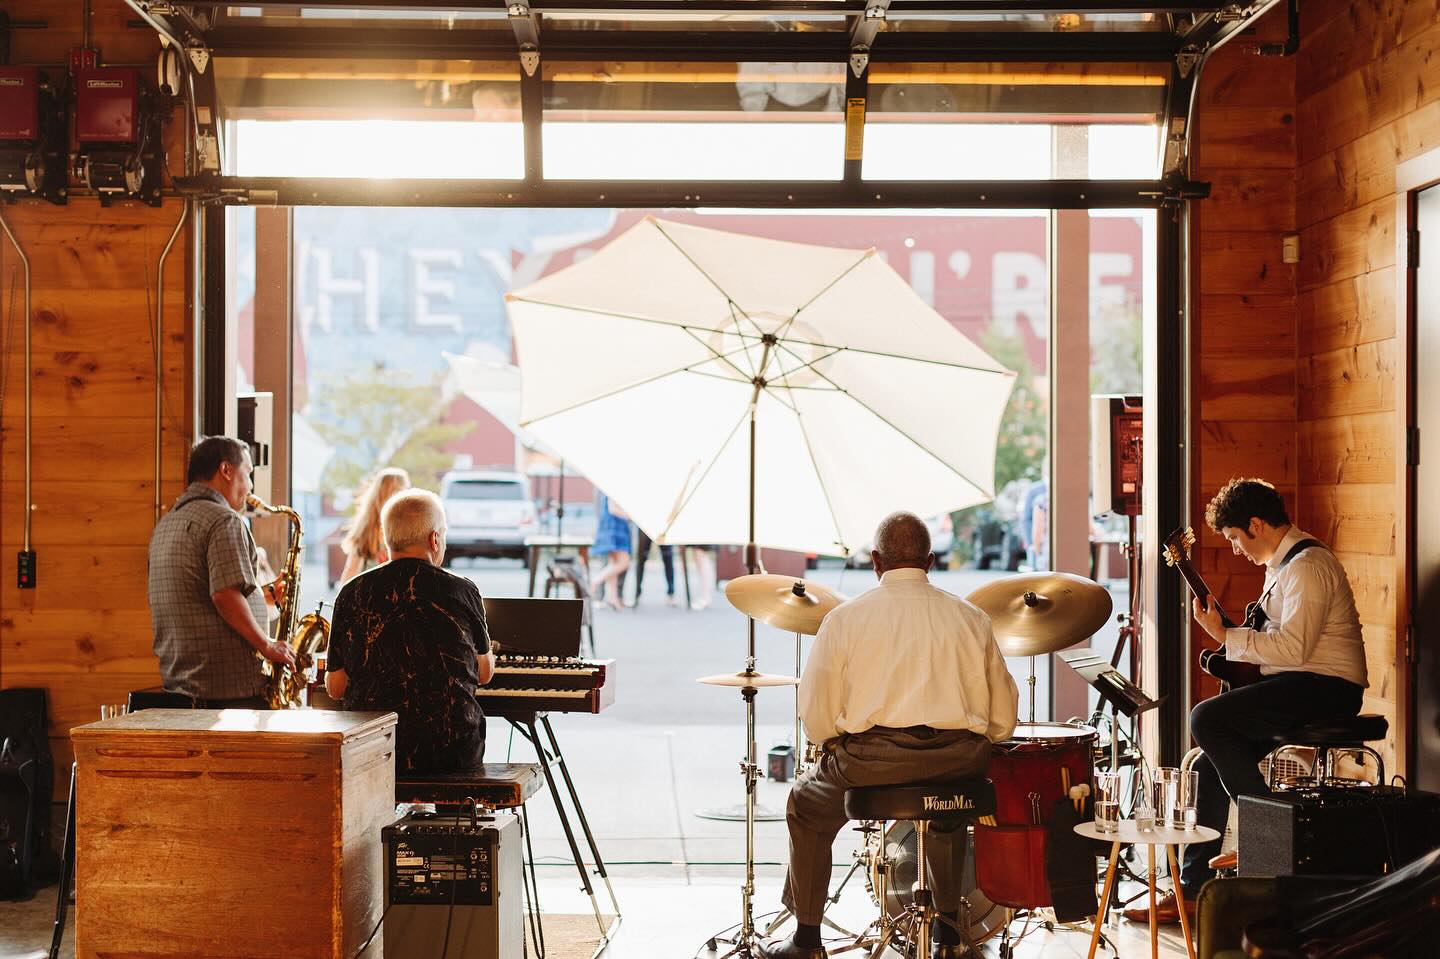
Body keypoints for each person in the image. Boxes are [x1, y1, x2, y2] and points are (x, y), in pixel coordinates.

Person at [762, 512, 1019, 959]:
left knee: (805, 803)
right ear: (931, 561)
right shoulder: (971, 618)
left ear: (876, 561)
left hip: (871, 761)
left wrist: (836, 745)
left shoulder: (844, 620)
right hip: (957, 758)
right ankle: (948, 933)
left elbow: (818, 718)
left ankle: (806, 941)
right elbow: (1002, 719)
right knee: (949, 801)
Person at [1125, 478, 1367, 924]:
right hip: (1299, 683)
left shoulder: (1307, 565)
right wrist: (1230, 640)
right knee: (1203, 764)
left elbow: (1293, 649)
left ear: (1256, 524)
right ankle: (1195, 893)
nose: (1236, 549)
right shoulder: (1281, 567)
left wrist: (1225, 636)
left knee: (1207, 718)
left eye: (1235, 538)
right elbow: (1278, 647)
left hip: (1328, 688)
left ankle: (1270, 842)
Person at [325, 489, 495, 774]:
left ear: (387, 539)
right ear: (434, 539)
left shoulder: (351, 592)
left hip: (376, 749)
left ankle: (376, 819)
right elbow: (485, 673)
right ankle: (455, 815)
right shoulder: (462, 590)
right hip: (451, 751)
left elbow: (335, 687)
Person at [148, 436, 295, 707]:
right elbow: (224, 595)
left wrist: (264, 597)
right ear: (226, 470)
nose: (250, 486)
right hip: (226, 695)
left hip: (181, 690)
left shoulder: (167, 523)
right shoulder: (223, 520)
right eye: (248, 473)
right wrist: (267, 645)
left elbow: (199, 597)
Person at [339, 466, 411, 584]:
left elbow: (348, 575)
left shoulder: (365, 530)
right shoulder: (366, 532)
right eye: (405, 490)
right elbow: (349, 575)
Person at [591, 492, 632, 611]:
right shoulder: (613, 485)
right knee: (624, 562)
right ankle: (596, 581)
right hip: (614, 527)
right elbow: (613, 508)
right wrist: (629, 516)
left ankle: (612, 598)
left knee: (614, 563)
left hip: (614, 527)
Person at [631, 528, 677, 607]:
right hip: (644, 525)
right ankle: (637, 594)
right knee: (641, 558)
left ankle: (671, 593)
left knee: (668, 557)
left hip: (663, 525)